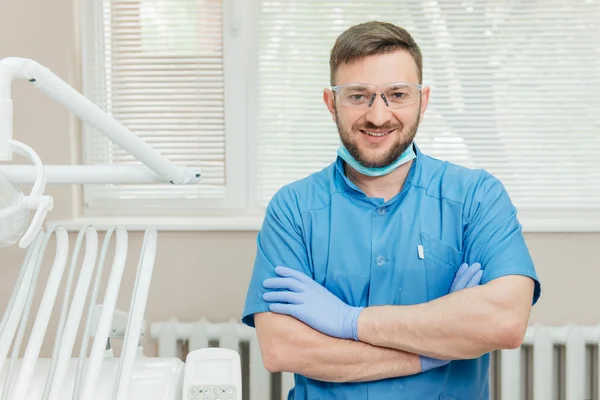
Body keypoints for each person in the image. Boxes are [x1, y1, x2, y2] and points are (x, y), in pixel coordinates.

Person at [241, 20, 541, 400]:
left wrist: (347, 321)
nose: (378, 116)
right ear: (331, 102)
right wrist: (432, 348)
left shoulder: (476, 197)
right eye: (358, 95)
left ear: (423, 100)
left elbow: (504, 323)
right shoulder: (294, 208)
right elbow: (284, 349)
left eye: (397, 94)